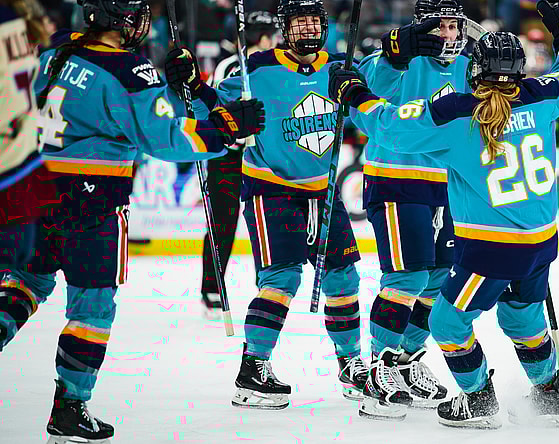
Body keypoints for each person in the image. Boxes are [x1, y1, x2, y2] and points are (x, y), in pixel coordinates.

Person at [0, 0, 264, 442]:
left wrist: (177, 90)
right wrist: (225, 127)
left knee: (25, 282)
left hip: (33, 187)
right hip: (92, 200)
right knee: (92, 308)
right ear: (121, 19)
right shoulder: (128, 70)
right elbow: (163, 136)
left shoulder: (55, 50)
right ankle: (69, 407)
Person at [328, 0, 559, 428]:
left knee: (447, 322)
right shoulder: (543, 96)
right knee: (522, 316)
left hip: (491, 249)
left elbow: (390, 126)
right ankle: (549, 396)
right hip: (542, 242)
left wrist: (354, 95)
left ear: (475, 70)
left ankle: (478, 402)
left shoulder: (460, 114)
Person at [165, 0, 367, 409]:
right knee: (282, 280)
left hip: (325, 192)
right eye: (299, 22)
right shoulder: (256, 69)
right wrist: (190, 84)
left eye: (314, 21)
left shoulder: (340, 67)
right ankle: (253, 369)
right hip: (272, 190)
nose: (308, 29)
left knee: (344, 278)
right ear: (284, 29)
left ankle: (351, 364)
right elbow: (210, 107)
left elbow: (373, 104)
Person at [355, 0, 469, 416]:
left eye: (454, 26)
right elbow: (366, 88)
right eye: (440, 27)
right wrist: (393, 53)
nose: (449, 35)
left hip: (450, 185)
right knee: (407, 277)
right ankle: (377, 370)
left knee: (438, 281)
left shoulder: (470, 67)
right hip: (396, 178)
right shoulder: (399, 57)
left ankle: (403, 361)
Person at [199, 9, 281, 319]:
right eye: (273, 36)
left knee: (266, 220)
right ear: (263, 38)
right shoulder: (231, 66)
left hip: (262, 156)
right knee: (223, 221)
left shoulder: (276, 66)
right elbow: (215, 108)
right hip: (229, 157)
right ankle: (212, 287)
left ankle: (269, 286)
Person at [0, 0, 54, 343]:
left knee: (31, 275)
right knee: (31, 274)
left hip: (16, 175)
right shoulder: (17, 27)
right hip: (20, 175)